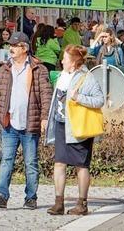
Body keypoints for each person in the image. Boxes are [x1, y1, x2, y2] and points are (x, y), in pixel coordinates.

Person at [0, 32, 52, 210]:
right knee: (6, 160)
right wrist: (1, 113)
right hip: (10, 123)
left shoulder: (38, 69)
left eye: (14, 46)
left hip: (30, 122)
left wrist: (45, 116)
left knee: (30, 162)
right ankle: (1, 195)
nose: (11, 49)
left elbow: (46, 95)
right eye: (10, 46)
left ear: (24, 48)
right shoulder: (5, 69)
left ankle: (31, 197)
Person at [45, 45, 104, 216]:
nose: (61, 61)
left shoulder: (87, 78)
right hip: (61, 124)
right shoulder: (63, 75)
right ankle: (58, 202)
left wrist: (79, 98)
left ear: (73, 62)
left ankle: (82, 203)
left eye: (65, 58)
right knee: (59, 163)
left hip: (78, 127)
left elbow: (99, 100)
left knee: (81, 165)